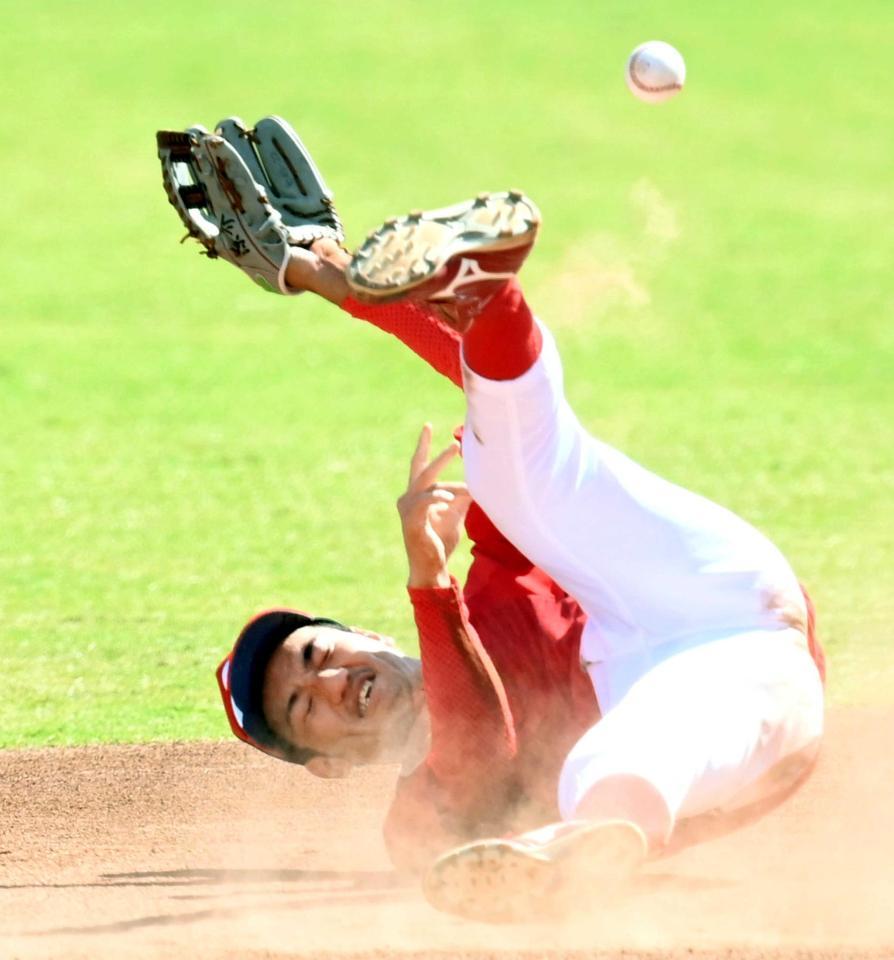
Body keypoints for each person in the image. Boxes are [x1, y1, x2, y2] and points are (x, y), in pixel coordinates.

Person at [212, 191, 825, 923]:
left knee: (513, 473)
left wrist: (344, 288)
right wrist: (429, 585)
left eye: (318, 654)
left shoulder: (496, 596)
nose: (335, 681)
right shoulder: (417, 826)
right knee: (614, 757)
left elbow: (496, 415)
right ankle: (587, 842)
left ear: (364, 638)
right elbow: (476, 744)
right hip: (745, 706)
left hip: (710, 586)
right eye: (302, 705)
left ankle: (488, 291)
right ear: (330, 764)